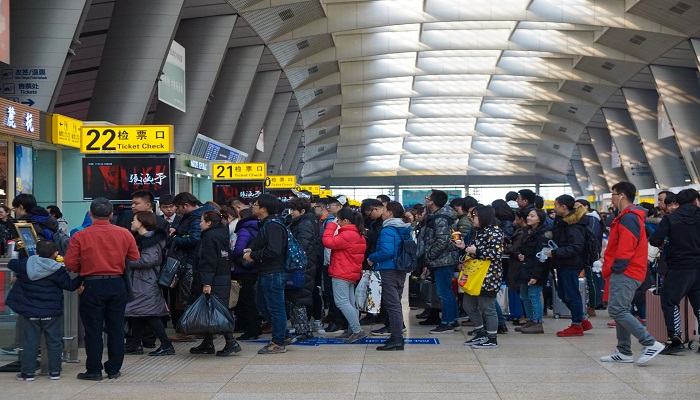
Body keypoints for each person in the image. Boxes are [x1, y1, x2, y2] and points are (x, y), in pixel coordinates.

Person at [65, 197, 140, 381]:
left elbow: (70, 263)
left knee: (93, 330)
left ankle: (94, 370)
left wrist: (84, 267)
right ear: (111, 214)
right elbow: (135, 256)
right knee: (115, 329)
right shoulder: (124, 233)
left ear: (90, 213)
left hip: (91, 285)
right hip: (117, 284)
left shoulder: (80, 235)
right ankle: (114, 369)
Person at [600, 182, 664, 364]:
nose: (611, 198)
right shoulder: (628, 216)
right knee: (622, 309)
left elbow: (627, 245)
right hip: (628, 269)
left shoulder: (629, 217)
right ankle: (624, 351)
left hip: (627, 270)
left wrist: (617, 267)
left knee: (616, 309)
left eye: (613, 194)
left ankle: (650, 342)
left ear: (622, 195)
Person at [7, 240, 83, 381]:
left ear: (35, 252)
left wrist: (20, 273)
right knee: (54, 342)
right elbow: (70, 286)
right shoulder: (58, 269)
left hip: (30, 313)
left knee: (30, 343)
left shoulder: (25, 265)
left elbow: (12, 263)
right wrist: (82, 276)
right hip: (51, 313)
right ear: (55, 254)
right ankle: (54, 372)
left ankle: (27, 373)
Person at [649, 188, 700, 354]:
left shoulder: (671, 219)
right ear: (696, 201)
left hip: (679, 266)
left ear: (679, 203)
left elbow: (655, 240)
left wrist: (665, 242)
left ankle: (675, 339)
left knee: (670, 301)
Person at [243, 194, 293, 354]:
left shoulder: (272, 225)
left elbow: (274, 250)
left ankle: (278, 342)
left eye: (256, 204)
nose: (253, 207)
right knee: (263, 306)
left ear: (264, 208)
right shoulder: (266, 224)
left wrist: (254, 255)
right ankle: (284, 335)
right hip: (267, 272)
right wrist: (254, 250)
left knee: (275, 308)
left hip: (274, 273)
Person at [189, 210, 242, 356]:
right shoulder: (222, 236)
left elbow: (208, 262)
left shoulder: (209, 238)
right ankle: (207, 342)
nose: (200, 224)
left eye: (202, 221)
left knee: (218, 311)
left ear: (209, 223)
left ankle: (231, 342)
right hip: (223, 277)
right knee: (211, 310)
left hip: (213, 280)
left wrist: (206, 283)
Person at [123, 211, 174, 357]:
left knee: (149, 314)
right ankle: (135, 344)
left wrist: (126, 262)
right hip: (141, 281)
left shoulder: (149, 240)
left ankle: (166, 345)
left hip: (145, 282)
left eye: (134, 220)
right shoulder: (144, 238)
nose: (131, 223)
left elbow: (148, 260)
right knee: (139, 313)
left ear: (142, 222)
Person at [457, 205, 504, 348]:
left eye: (474, 215)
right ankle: (480, 332)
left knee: (487, 307)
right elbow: (474, 252)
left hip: (489, 276)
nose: (471, 218)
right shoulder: (478, 231)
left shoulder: (495, 232)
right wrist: (464, 247)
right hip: (474, 275)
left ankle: (491, 337)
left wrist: (476, 251)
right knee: (468, 305)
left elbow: (497, 253)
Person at [367, 201, 412, 350]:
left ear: (390, 213)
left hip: (388, 270)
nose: (382, 212)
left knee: (392, 305)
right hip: (400, 269)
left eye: (385, 209)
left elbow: (387, 251)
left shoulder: (388, 230)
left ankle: (397, 339)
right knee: (395, 304)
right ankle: (395, 337)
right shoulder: (405, 228)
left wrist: (372, 258)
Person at [547, 194, 593, 337]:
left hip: (571, 263)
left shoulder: (573, 224)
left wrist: (555, 252)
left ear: (563, 207)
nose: (554, 208)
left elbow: (576, 247)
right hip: (564, 262)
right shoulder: (563, 222)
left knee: (571, 293)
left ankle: (577, 325)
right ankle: (581, 319)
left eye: (555, 205)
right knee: (563, 293)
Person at [322, 207, 368, 343]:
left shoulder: (347, 234)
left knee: (342, 302)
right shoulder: (358, 234)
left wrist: (331, 225)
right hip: (350, 272)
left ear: (346, 221)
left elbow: (328, 242)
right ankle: (352, 330)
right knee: (351, 303)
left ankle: (357, 330)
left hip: (341, 272)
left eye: (339, 220)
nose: (337, 222)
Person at [417, 190, 460, 333]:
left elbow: (442, 240)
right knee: (447, 291)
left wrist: (429, 255)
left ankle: (447, 322)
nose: (425, 200)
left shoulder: (440, 218)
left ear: (431, 202)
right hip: (444, 259)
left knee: (444, 292)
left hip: (442, 260)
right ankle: (453, 320)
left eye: (427, 198)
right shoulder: (441, 215)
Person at [287, 197, 320, 341]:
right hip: (305, 264)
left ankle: (303, 330)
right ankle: (302, 328)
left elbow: (301, 246)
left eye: (293, 210)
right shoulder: (304, 222)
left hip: (302, 266)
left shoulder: (304, 224)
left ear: (302, 210)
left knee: (299, 297)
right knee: (298, 296)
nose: (291, 213)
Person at [515, 209, 550, 334]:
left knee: (534, 295)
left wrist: (536, 274)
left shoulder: (543, 234)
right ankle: (529, 320)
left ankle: (537, 322)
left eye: (532, 216)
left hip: (537, 269)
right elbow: (520, 248)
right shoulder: (527, 231)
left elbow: (542, 257)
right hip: (525, 268)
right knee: (524, 295)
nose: (528, 218)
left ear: (539, 218)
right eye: (528, 215)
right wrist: (519, 254)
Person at [231, 207, 262, 340]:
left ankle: (251, 329)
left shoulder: (244, 229)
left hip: (244, 269)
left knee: (246, 300)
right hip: (256, 267)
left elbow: (238, 250)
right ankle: (255, 327)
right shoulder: (259, 227)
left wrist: (231, 256)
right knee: (252, 300)